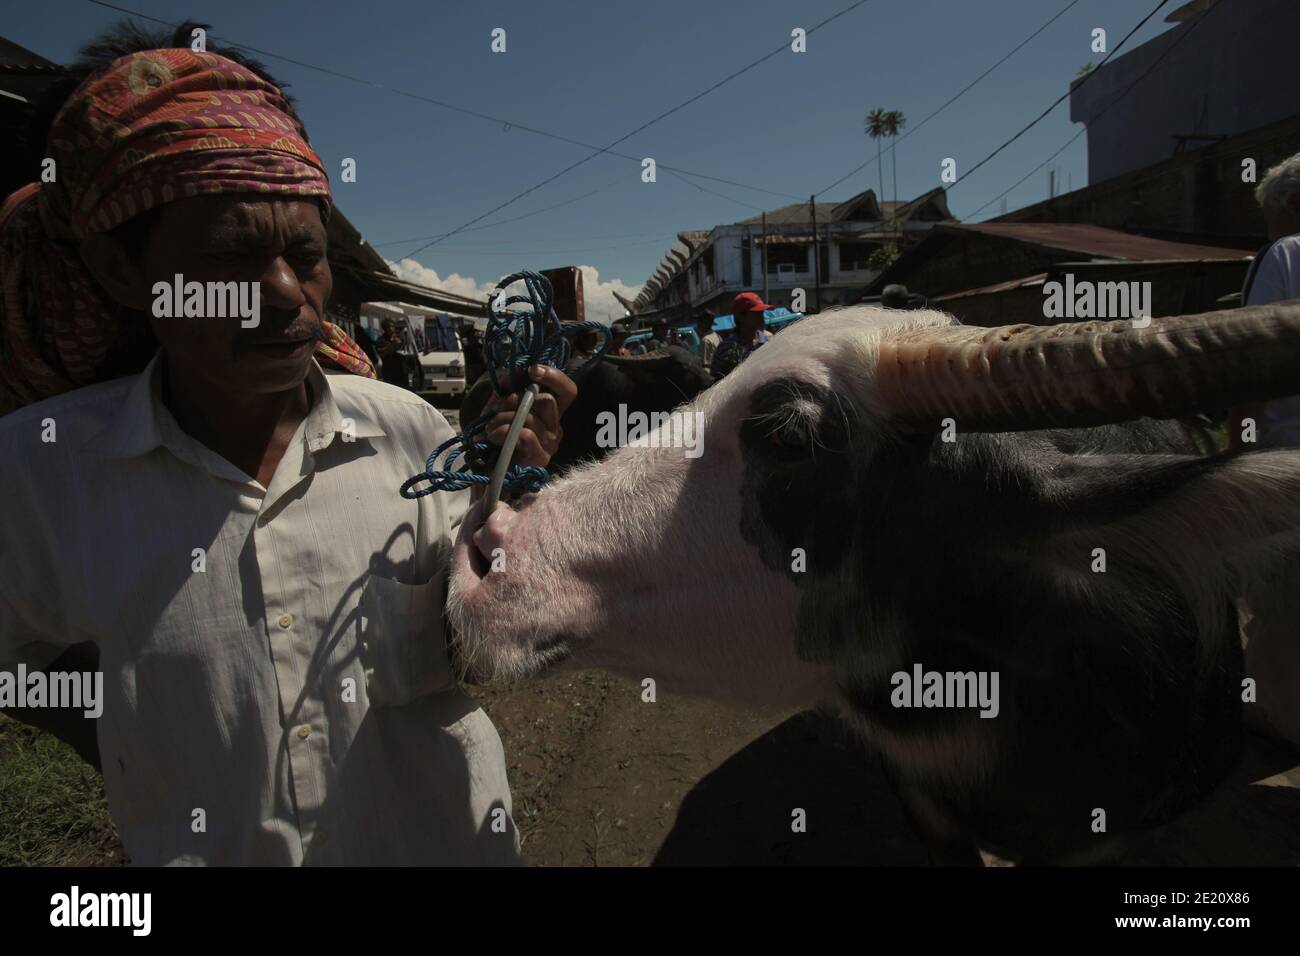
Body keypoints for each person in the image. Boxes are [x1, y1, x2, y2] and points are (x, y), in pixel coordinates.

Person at [0, 41, 576, 865]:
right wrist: (133, 738)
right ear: (123, 270)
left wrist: (514, 507)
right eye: (230, 256)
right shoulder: (37, 477)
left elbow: (482, 640)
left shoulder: (409, 431)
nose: (282, 292)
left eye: (304, 256)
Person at [1229, 152, 1300, 747]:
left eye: (1272, 215)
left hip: (1287, 460)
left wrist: (1238, 461)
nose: (1268, 229)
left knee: (1280, 598)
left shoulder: (1284, 256)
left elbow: (1248, 361)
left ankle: (1277, 717)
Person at [712, 292, 773, 378]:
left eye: (762, 313)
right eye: (756, 313)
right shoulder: (727, 348)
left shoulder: (768, 341)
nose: (762, 317)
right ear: (741, 317)